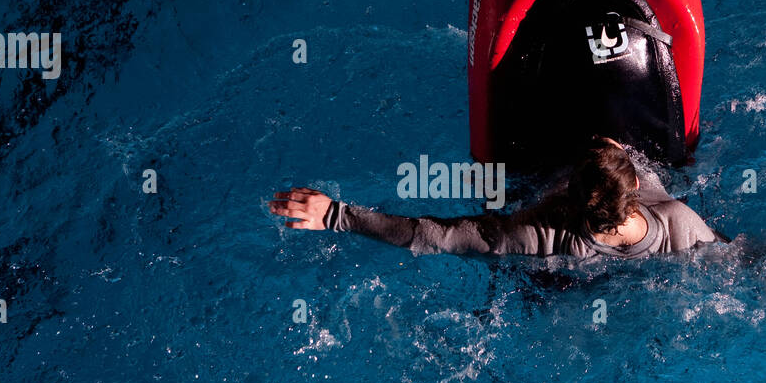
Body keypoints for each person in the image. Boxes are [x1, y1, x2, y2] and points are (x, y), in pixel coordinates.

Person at [268, 137, 726, 257]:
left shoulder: (537, 233)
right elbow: (738, 257)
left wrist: (337, 215)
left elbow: (435, 236)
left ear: (570, 195)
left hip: (557, 284)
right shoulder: (680, 222)